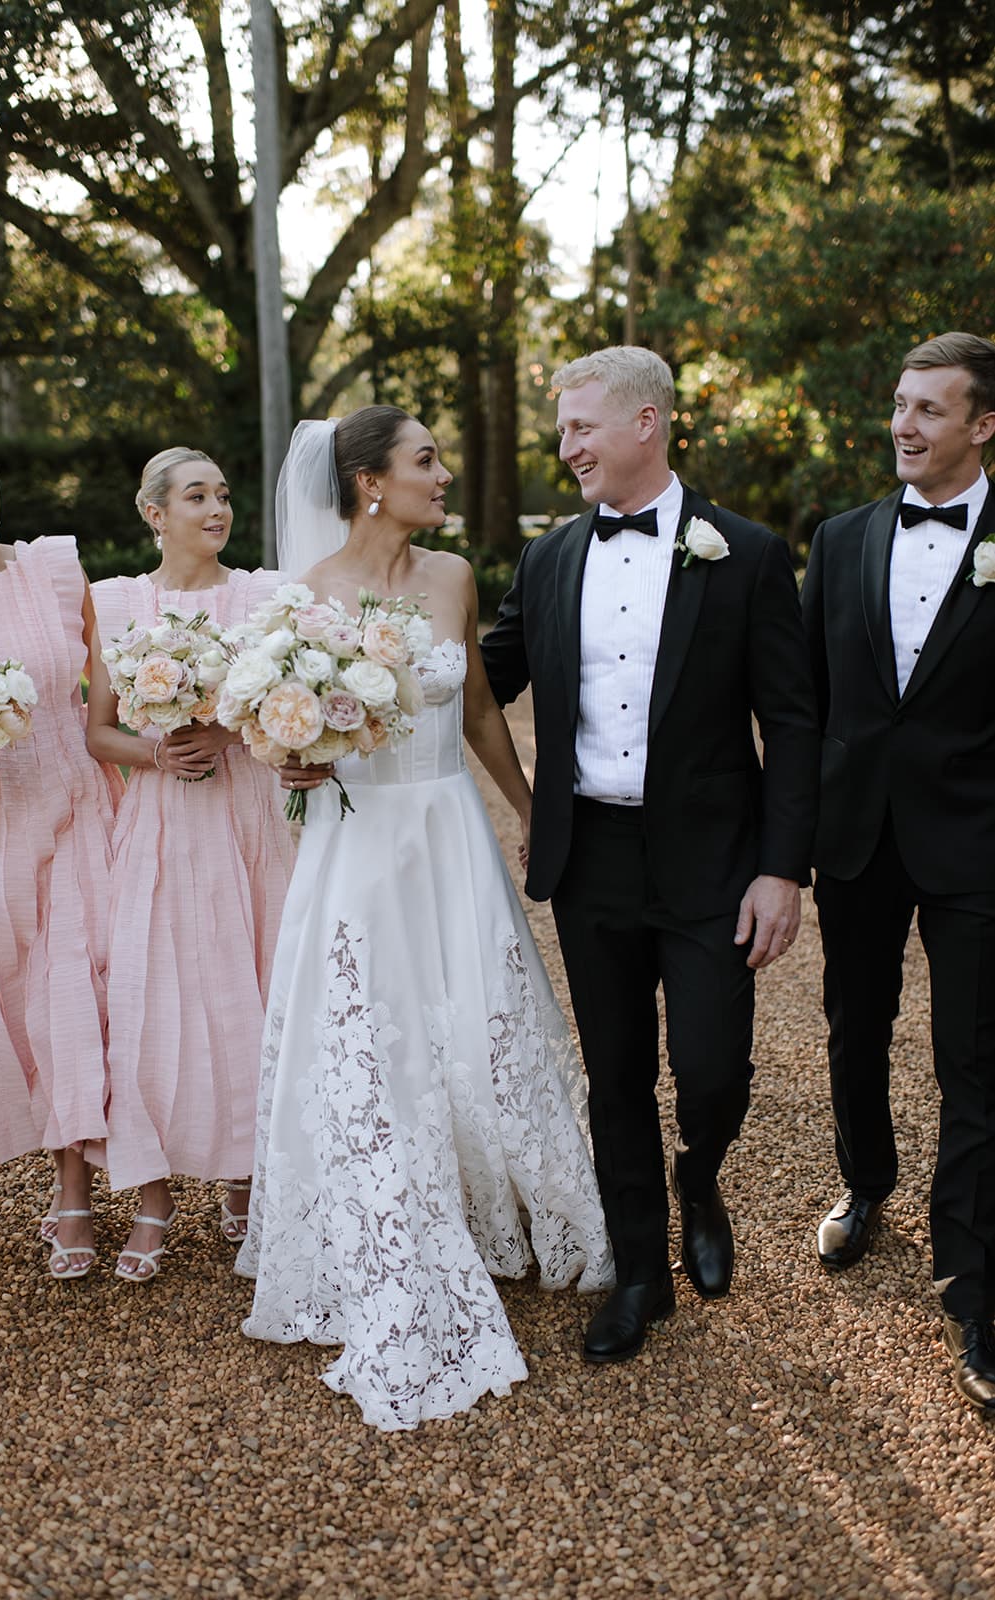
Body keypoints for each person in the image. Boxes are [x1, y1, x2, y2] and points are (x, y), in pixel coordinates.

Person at [236, 406, 612, 1431]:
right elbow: (274, 731)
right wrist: (293, 756)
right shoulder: (305, 598)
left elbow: (481, 705)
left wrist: (530, 809)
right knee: (374, 1032)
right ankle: (394, 1223)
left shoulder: (450, 578)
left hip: (449, 830)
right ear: (369, 482)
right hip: (360, 844)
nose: (443, 475)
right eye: (426, 461)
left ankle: (505, 1209)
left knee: (480, 1013)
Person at [481, 346, 819, 1364]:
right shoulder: (545, 560)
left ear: (646, 424)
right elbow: (475, 677)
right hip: (594, 857)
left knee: (712, 1068)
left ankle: (700, 1173)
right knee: (616, 1074)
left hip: (716, 859)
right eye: (562, 429)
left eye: (582, 426)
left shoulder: (747, 554)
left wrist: (782, 867)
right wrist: (347, 679)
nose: (565, 445)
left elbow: (794, 724)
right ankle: (639, 1274)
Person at [802, 331, 995, 1413]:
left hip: (978, 839)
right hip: (862, 835)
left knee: (974, 1055)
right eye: (900, 404)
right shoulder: (838, 539)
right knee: (853, 1021)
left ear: (983, 424)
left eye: (930, 409)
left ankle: (974, 1279)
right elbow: (812, 703)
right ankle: (866, 1182)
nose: (904, 425)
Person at [84, 447, 294, 1281]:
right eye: (196, 496)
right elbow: (96, 731)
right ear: (154, 513)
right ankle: (152, 1197)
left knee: (254, 987)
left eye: (223, 494)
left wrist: (231, 732)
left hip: (247, 820)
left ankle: (246, 1183)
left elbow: (286, 714)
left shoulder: (263, 596)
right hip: (164, 820)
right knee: (153, 1002)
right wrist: (155, 751)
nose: (216, 509)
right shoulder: (118, 602)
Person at [0, 428, 123, 1279]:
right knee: (19, 1003)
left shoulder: (52, 569)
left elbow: (104, 693)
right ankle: (68, 1170)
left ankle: (76, 1188)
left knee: (76, 991)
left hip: (82, 803)